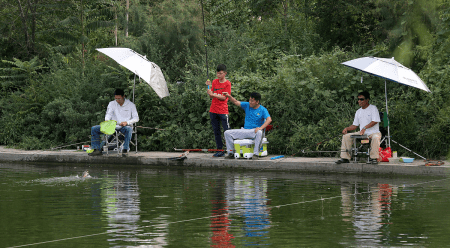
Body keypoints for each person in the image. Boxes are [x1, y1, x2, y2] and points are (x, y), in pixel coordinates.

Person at [89, 89, 139, 157]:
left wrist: (127, 122)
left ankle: (125, 149)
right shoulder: (111, 103)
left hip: (125, 127)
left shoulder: (131, 105)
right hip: (112, 126)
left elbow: (136, 118)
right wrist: (107, 120)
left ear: (123, 96)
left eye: (119, 99)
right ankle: (97, 149)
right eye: (116, 99)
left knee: (129, 129)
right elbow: (108, 114)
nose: (117, 101)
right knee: (94, 129)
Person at [336, 91, 381, 164]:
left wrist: (364, 128)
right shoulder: (358, 111)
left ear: (367, 100)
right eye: (358, 99)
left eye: (361, 99)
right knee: (346, 136)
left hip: (374, 133)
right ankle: (345, 158)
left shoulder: (373, 108)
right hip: (362, 134)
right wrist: (346, 129)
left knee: (376, 137)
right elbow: (355, 126)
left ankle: (374, 158)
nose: (359, 101)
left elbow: (375, 121)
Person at [223, 92, 272, 159]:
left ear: (257, 102)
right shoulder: (247, 105)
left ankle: (256, 154)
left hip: (254, 131)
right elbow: (236, 102)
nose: (250, 102)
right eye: (249, 100)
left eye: (252, 101)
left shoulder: (263, 110)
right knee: (227, 133)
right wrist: (229, 96)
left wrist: (260, 128)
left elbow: (269, 120)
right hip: (245, 130)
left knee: (259, 132)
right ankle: (231, 153)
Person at [206, 64, 231, 157]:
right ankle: (220, 150)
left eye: (220, 73)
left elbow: (224, 97)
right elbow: (210, 94)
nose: (219, 75)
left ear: (225, 73)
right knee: (216, 131)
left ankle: (230, 150)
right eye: (217, 73)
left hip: (223, 111)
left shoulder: (227, 84)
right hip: (213, 110)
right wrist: (209, 89)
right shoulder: (214, 82)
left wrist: (213, 95)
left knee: (227, 131)